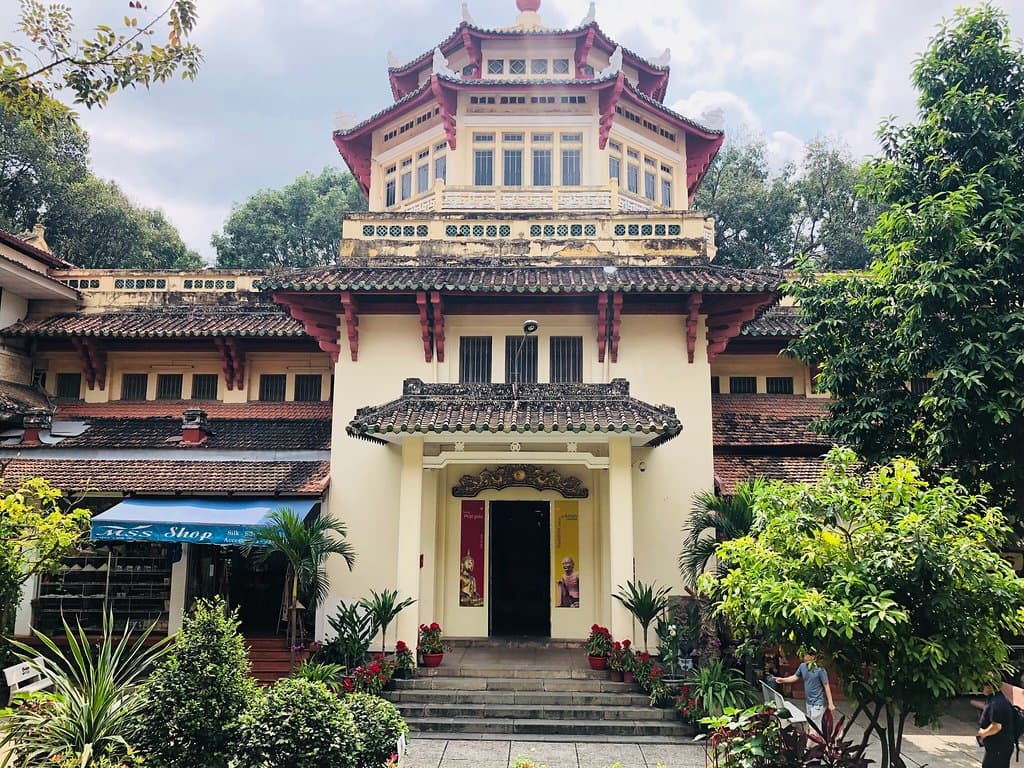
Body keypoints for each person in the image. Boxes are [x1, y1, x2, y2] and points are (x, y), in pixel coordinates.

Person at [774, 648, 835, 730]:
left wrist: (831, 704)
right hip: (808, 702)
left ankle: (807, 743)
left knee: (814, 728)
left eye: (807, 655)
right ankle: (819, 741)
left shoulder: (820, 670)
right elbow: (795, 677)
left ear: (812, 657)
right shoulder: (802, 666)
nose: (804, 656)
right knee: (812, 726)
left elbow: (826, 686)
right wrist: (783, 680)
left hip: (818, 703)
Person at [978, 679, 1014, 768]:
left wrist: (983, 733)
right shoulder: (994, 698)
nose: (981, 688)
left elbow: (996, 726)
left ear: (990, 687)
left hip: (999, 748)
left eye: (983, 685)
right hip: (997, 747)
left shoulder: (997, 703)